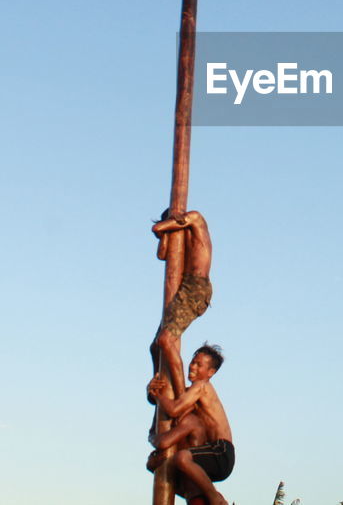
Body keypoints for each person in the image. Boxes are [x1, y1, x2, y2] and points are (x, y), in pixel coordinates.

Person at [147, 344, 234, 505]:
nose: (192, 366)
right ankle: (209, 496)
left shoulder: (202, 386)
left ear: (211, 373)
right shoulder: (192, 394)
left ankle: (215, 498)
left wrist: (158, 396)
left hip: (220, 451)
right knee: (178, 470)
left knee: (182, 458)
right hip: (213, 453)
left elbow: (173, 409)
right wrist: (152, 392)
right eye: (193, 362)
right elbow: (169, 399)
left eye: (199, 364)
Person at [151, 209, 213, 397]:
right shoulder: (177, 235)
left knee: (166, 340)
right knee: (155, 346)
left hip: (195, 288)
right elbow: (162, 255)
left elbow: (157, 227)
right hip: (183, 290)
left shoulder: (195, 219)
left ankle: (180, 396)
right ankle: (158, 383)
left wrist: (162, 228)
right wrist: (165, 235)